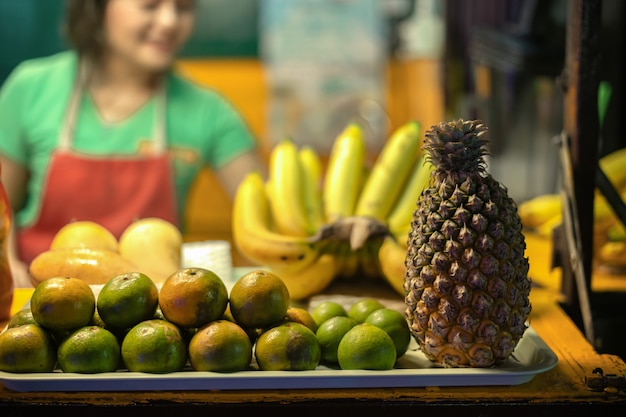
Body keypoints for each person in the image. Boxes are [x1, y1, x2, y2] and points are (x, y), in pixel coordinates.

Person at [0, 0, 265, 288]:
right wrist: (9, 267)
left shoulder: (209, 111)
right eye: (150, 6)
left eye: (184, 8)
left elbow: (267, 216)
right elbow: (4, 202)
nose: (170, 22)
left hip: (149, 313)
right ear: (98, 8)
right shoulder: (30, 88)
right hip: (40, 298)